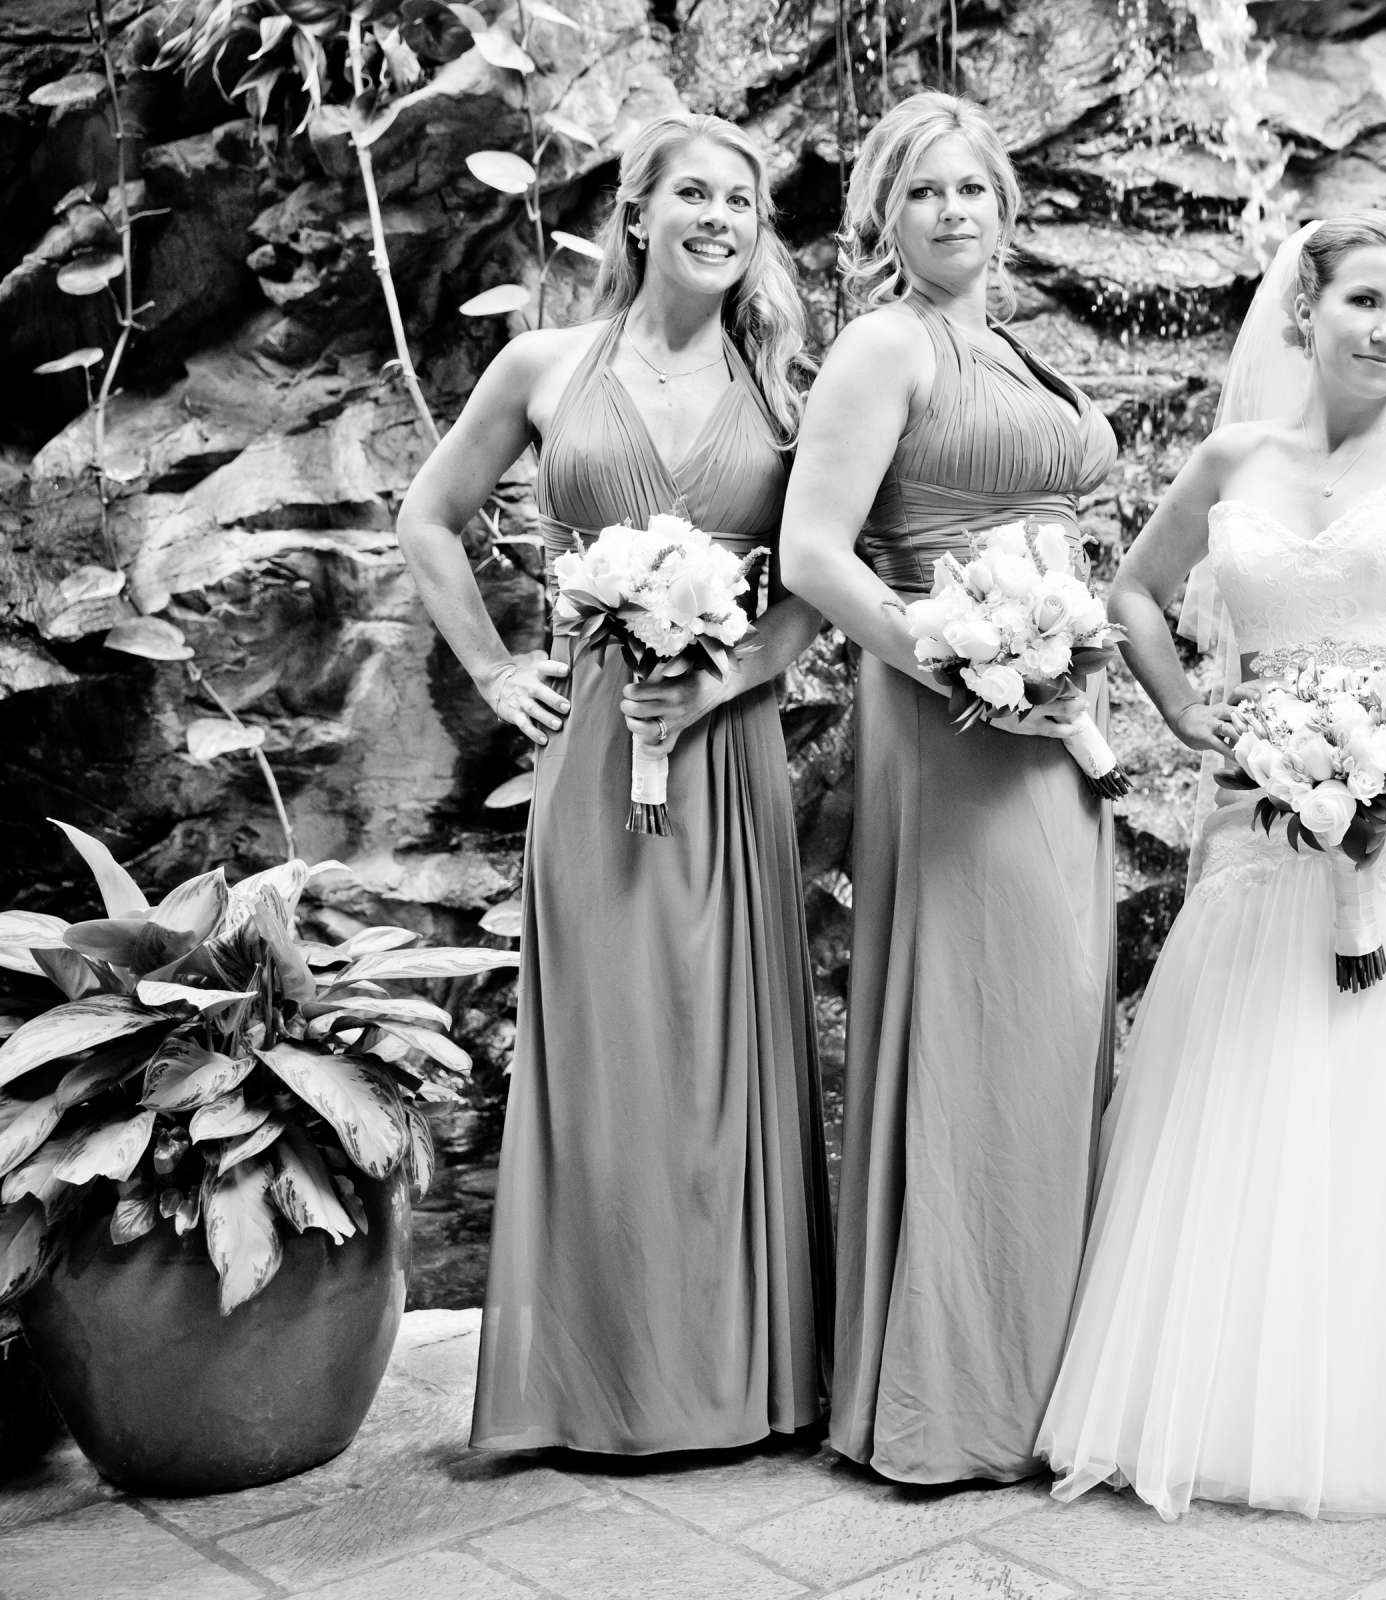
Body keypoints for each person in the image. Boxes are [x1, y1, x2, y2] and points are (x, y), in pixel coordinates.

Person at [1037, 210, 1386, 1521]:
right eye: (1364, 301)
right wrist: (1189, 713)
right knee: (1257, 1063)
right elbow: (1134, 595)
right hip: (1262, 800)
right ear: (1303, 310)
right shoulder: (1236, 456)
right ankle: (1233, 1400)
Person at [394, 113, 833, 1454]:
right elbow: (427, 516)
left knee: (722, 1045)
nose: (719, 218)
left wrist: (724, 677)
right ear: (636, 213)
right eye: (692, 193)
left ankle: (735, 1379)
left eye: (741, 202)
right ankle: (603, 1383)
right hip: (595, 751)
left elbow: (820, 582)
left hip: (729, 748)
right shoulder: (543, 366)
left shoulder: (787, 387)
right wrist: (492, 669)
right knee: (610, 1047)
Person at [780, 91, 1119, 1485]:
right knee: (984, 1024)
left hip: (1053, 716)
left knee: (1055, 1027)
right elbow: (814, 552)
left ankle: (1051, 1378)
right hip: (954, 722)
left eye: (971, 186)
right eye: (921, 191)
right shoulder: (884, 344)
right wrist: (956, 659)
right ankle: (959, 1396)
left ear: (1006, 204)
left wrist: (1065, 660)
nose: (951, 210)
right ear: (884, 216)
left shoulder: (1014, 347)